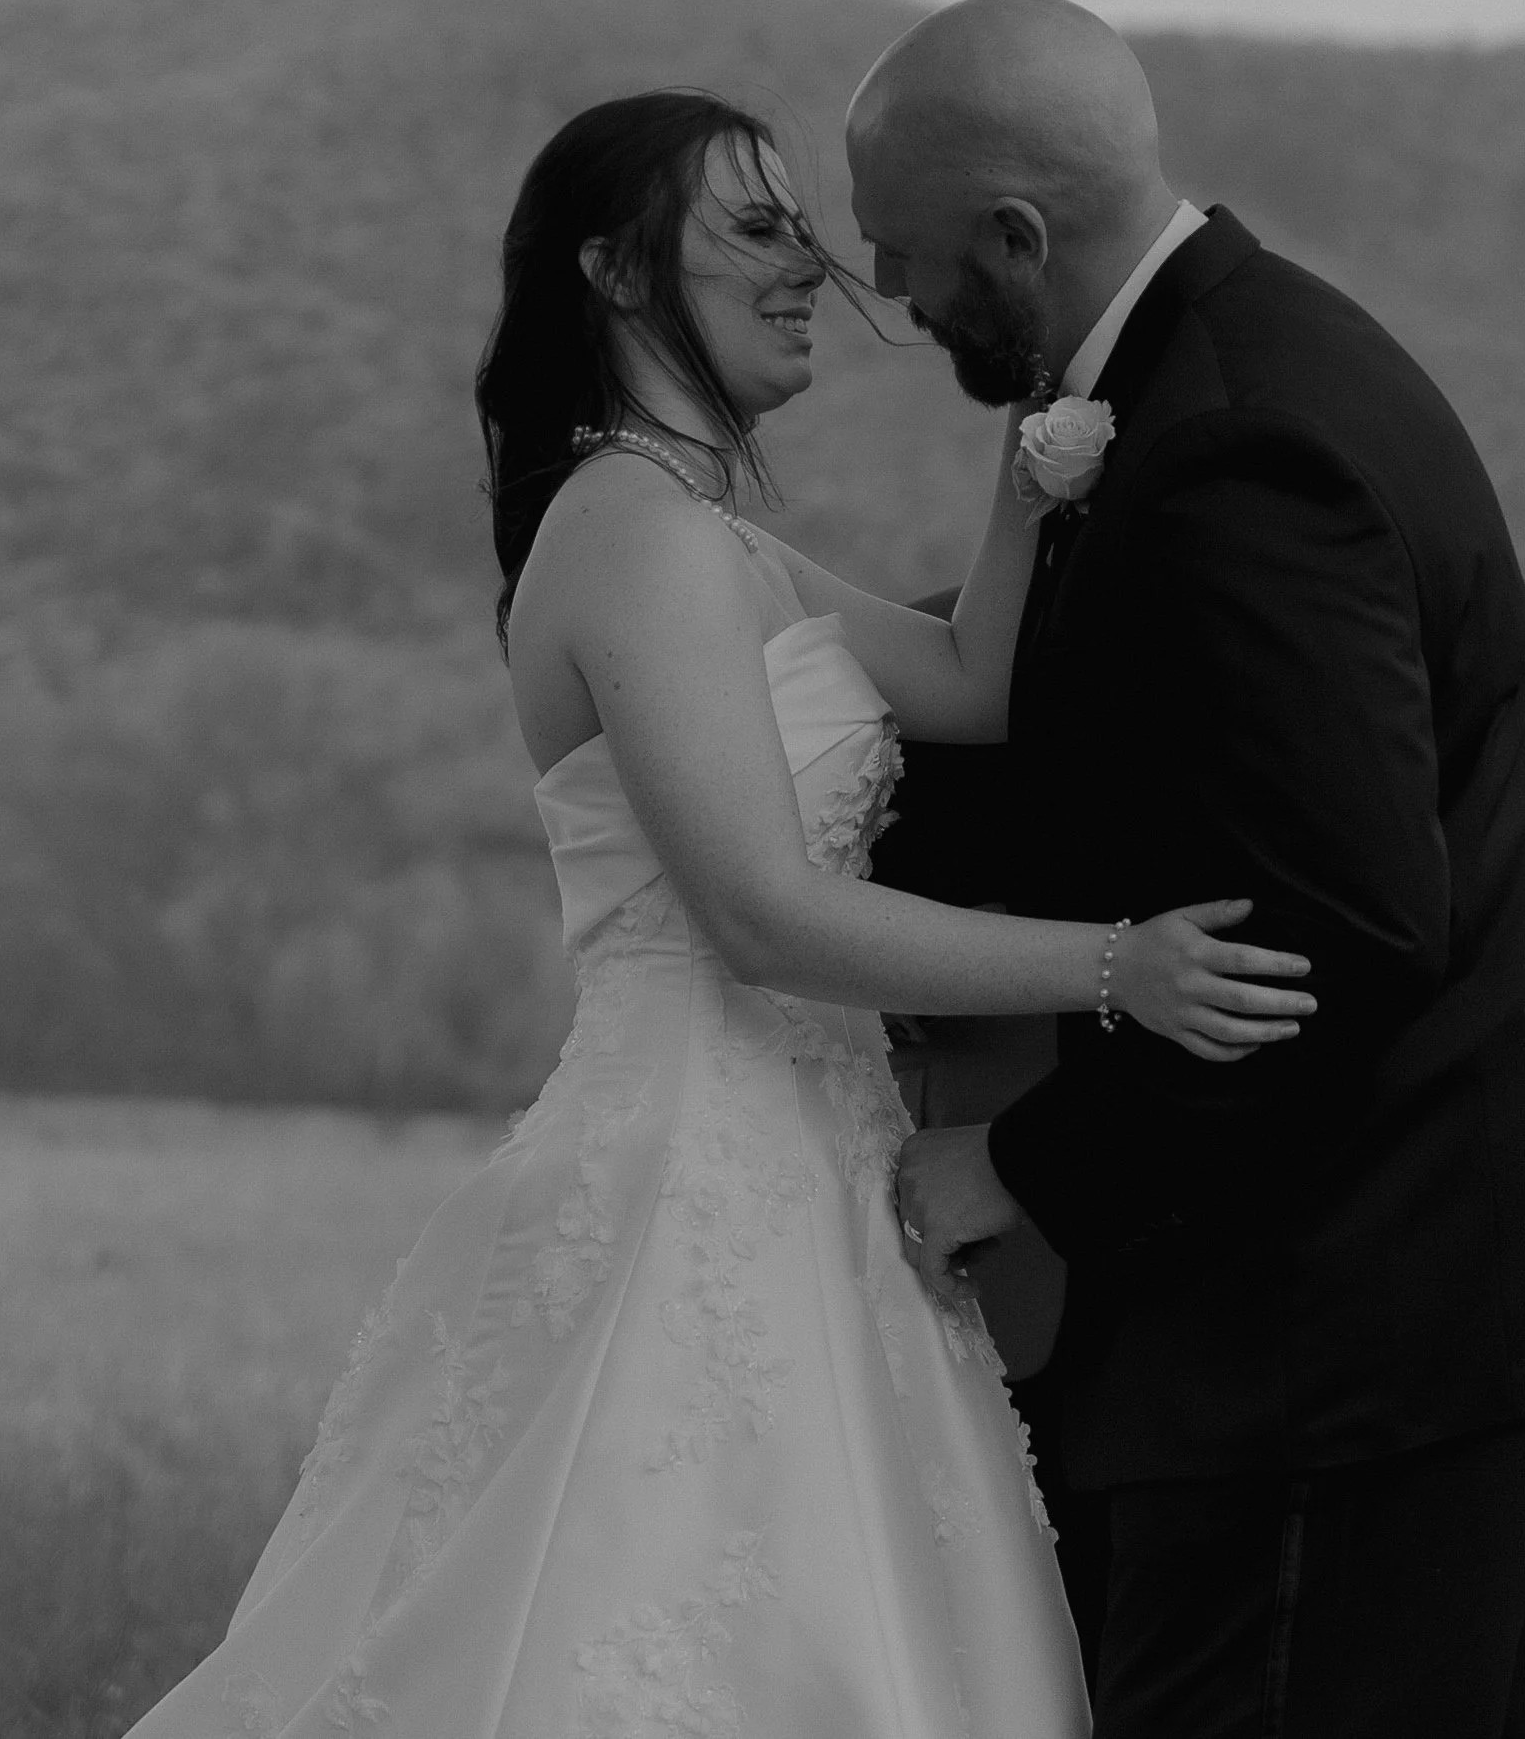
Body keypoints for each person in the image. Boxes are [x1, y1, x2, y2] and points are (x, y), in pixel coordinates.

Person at [123, 87, 1316, 1739]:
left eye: (806, 231)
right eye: (755, 229)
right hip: (690, 1169)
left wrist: (1029, 463)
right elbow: (759, 914)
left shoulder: (715, 540)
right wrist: (1119, 967)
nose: (809, 269)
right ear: (616, 271)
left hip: (819, 1167)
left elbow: (972, 681)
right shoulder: (636, 539)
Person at [857, 0, 1525, 1739]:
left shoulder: (1234, 445)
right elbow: (1154, 774)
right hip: (1411, 1312)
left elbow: (1337, 923)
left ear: (1014, 236)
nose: (894, 293)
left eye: (906, 253)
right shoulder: (1232, 370)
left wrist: (1024, 1164)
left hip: (1338, 1332)